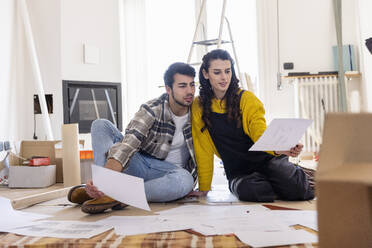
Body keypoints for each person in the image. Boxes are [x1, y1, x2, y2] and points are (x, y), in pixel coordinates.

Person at [67, 62, 198, 214]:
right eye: (182, 86)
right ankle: (103, 188)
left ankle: (111, 194)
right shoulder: (152, 109)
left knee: (185, 180)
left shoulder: (199, 112)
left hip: (170, 175)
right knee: (100, 125)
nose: (189, 91)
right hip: (140, 164)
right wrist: (105, 178)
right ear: (168, 89)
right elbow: (129, 142)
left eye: (192, 85)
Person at [190, 49, 314, 202]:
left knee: (298, 191)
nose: (224, 77)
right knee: (255, 192)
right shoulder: (198, 106)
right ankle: (279, 182)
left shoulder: (246, 99)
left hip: (268, 161)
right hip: (239, 172)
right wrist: (204, 186)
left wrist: (279, 148)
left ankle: (294, 177)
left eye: (228, 71)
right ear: (205, 74)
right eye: (217, 72)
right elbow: (203, 148)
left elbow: (259, 133)